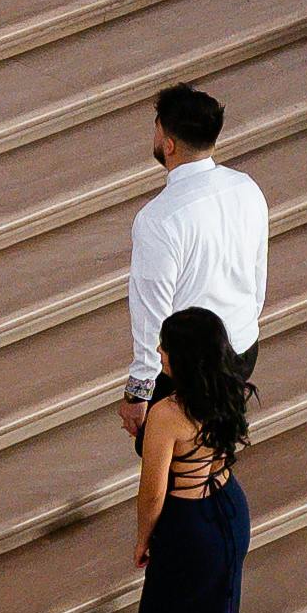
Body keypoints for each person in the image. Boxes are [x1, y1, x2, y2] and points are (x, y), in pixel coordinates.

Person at [118, 305, 254, 613]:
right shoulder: (227, 387)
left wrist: (142, 539)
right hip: (230, 510)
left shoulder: (168, 415)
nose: (159, 354)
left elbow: (153, 492)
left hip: (191, 526)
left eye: (166, 347)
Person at [121, 79, 266, 443]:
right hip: (243, 345)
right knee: (218, 448)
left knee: (177, 464)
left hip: (188, 367)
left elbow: (150, 312)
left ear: (168, 145)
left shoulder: (158, 219)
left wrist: (139, 391)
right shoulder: (246, 187)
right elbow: (257, 272)